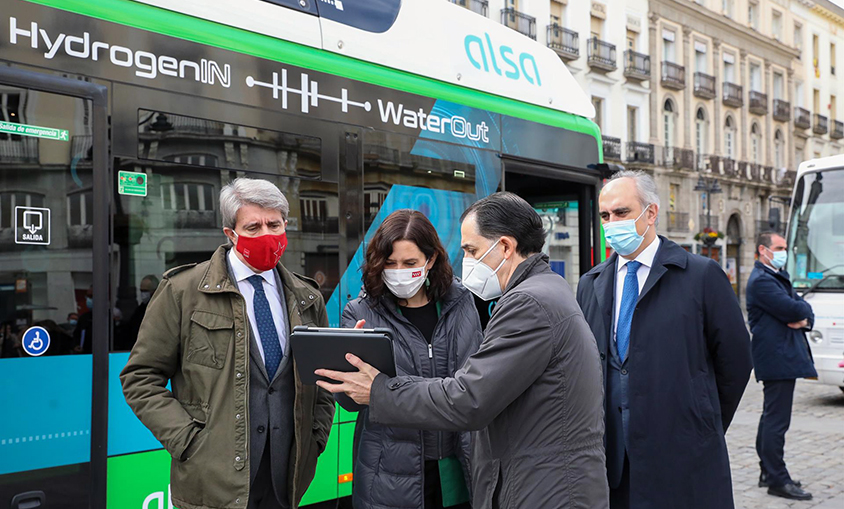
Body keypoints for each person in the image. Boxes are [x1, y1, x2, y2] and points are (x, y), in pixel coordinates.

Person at [317, 192, 609, 509]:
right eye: (391, 263)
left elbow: (469, 397)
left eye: (471, 250)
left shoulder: (523, 302)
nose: (467, 260)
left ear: (506, 247)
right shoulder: (548, 290)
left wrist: (382, 390)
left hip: (538, 485)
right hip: (400, 474)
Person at [121, 178, 335, 509]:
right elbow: (139, 378)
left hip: (286, 481)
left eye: (274, 224)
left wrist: (314, 440)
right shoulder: (183, 291)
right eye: (253, 227)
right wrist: (188, 442)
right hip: (213, 483)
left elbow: (320, 382)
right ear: (230, 234)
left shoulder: (307, 296)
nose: (267, 235)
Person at [575, 170, 753, 509]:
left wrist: (701, 421)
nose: (612, 223)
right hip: (614, 464)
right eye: (605, 216)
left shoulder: (700, 275)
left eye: (622, 213)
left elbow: (737, 360)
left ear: (651, 213)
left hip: (682, 461)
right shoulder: (591, 283)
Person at [341, 209, 481, 509]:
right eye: (390, 263)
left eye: (410, 263)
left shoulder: (461, 303)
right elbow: (350, 402)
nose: (398, 271)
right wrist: (348, 362)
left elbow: (475, 384)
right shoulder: (360, 312)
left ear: (430, 261)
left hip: (458, 463)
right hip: (389, 474)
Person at [747, 232, 815, 501]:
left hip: (779, 357)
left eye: (785, 247)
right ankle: (777, 479)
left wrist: (803, 315)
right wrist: (801, 314)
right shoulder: (763, 281)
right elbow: (795, 309)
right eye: (779, 247)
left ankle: (767, 471)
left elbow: (803, 309)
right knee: (777, 421)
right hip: (778, 359)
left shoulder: (774, 277)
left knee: (770, 418)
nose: (784, 251)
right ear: (763, 250)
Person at [116, 274, 160, 351]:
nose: (143, 294)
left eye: (146, 291)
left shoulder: (160, 310)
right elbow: (130, 330)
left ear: (155, 291)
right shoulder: (140, 309)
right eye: (141, 291)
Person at [73, 285, 94, 353]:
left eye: (91, 297)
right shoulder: (84, 317)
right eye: (88, 297)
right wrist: (75, 346)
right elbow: (77, 335)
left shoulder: (109, 318)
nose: (88, 300)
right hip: (84, 355)